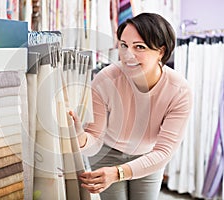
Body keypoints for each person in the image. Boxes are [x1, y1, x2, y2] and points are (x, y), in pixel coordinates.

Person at [69, 12, 192, 200]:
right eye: (124, 45)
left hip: (148, 155)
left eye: (139, 47)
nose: (128, 55)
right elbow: (94, 137)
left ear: (161, 51)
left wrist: (119, 173)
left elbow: (164, 151)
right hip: (108, 151)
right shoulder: (105, 79)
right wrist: (80, 138)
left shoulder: (179, 90)